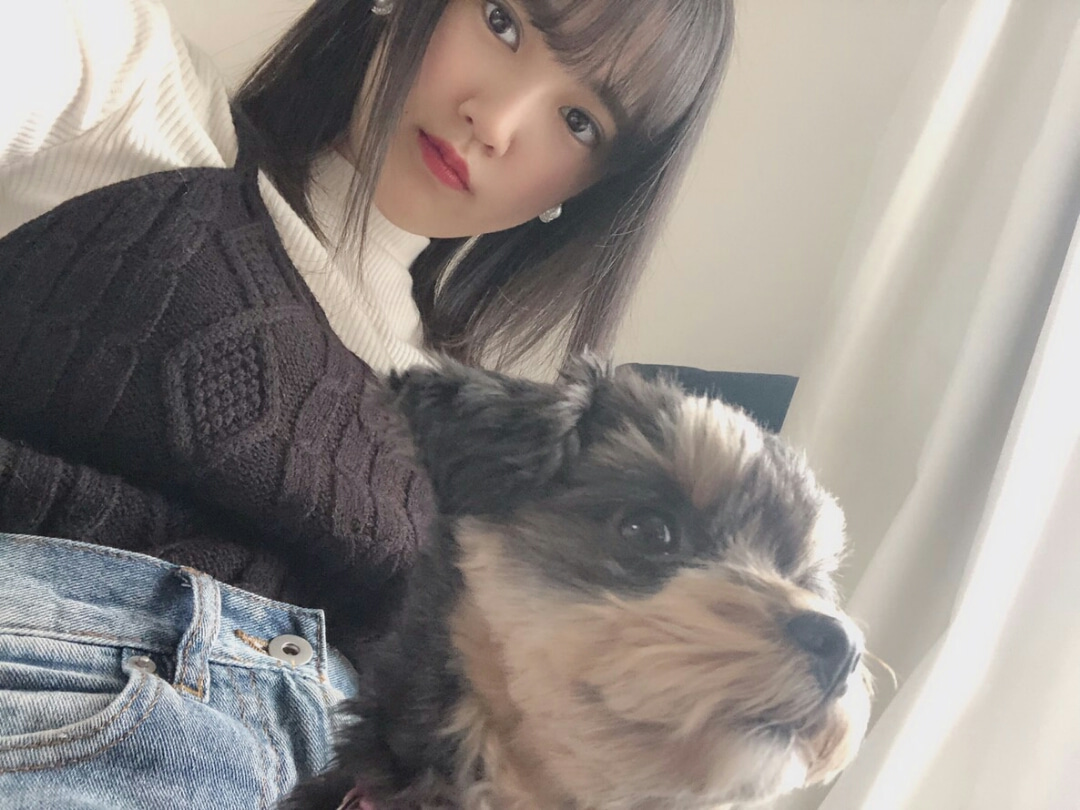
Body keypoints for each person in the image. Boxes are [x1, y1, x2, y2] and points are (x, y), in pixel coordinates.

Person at [0, 0, 734, 806]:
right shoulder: (138, 100)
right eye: (502, 22)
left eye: (578, 121)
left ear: (582, 192)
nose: (495, 123)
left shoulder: (473, 442)